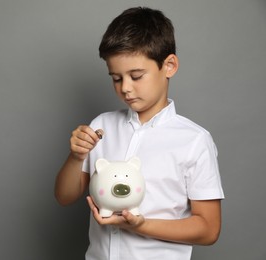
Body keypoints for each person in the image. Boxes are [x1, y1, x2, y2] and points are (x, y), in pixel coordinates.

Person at [54, 6, 224, 260]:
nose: (126, 88)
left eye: (136, 76)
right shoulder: (102, 126)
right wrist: (77, 156)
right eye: (116, 78)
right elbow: (64, 196)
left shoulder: (194, 141)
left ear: (169, 66)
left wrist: (141, 225)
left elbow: (209, 229)